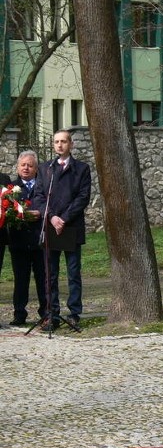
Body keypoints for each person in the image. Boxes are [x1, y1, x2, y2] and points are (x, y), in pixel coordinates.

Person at [32, 129, 91, 330]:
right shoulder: (45, 168)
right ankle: (52, 314)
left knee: (73, 272)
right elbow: (39, 196)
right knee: (51, 273)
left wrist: (63, 218)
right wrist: (52, 217)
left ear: (71, 144)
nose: (59, 145)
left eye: (63, 141)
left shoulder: (81, 169)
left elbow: (83, 197)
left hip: (70, 226)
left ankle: (74, 313)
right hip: (50, 225)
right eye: (56, 142)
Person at [8, 151, 47, 326]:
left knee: (43, 278)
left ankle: (45, 312)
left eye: (30, 165)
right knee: (21, 279)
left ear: (36, 168)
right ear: (18, 167)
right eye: (23, 165)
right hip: (19, 241)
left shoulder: (43, 185)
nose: (26, 168)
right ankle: (19, 314)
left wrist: (40, 212)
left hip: (40, 240)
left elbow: (48, 204)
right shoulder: (10, 189)